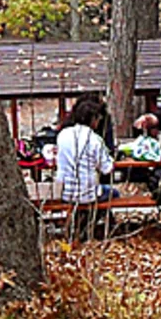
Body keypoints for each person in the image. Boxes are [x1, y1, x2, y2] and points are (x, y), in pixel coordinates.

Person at [54, 98, 116, 241]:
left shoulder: (63, 135)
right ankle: (93, 226)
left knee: (89, 194)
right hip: (88, 193)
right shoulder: (94, 139)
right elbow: (107, 168)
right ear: (93, 119)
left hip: (65, 192)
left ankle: (80, 225)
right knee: (114, 193)